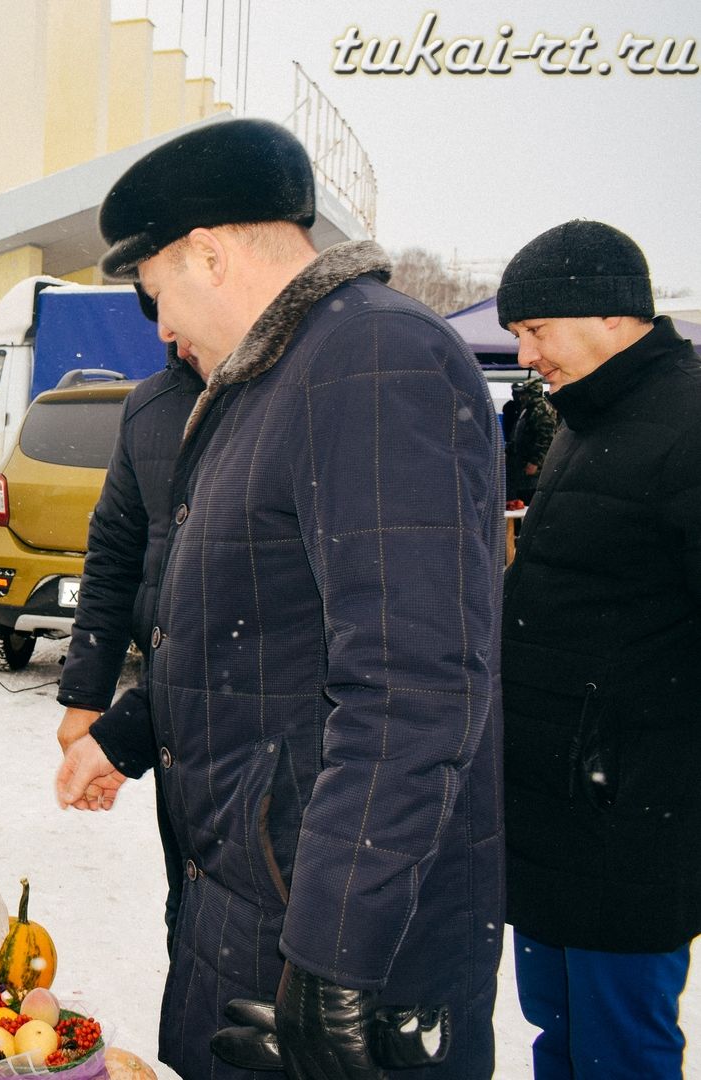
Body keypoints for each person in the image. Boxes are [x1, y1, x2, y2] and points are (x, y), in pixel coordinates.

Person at [56, 118, 504, 1079]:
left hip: (328, 938)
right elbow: (254, 631)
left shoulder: (376, 361)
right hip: (252, 899)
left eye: (153, 296)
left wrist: (333, 964)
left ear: (208, 255)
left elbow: (413, 684)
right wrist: (126, 734)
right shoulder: (274, 377)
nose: (161, 328)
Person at [497, 220, 701, 1080]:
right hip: (556, 812)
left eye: (535, 329)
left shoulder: (687, 425)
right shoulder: (588, 420)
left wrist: (633, 753)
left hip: (629, 820)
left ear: (611, 314)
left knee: (620, 1048)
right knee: (562, 1033)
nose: (526, 353)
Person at [55, 340, 202, 952]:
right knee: (192, 901)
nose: (169, 328)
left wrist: (124, 734)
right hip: (174, 710)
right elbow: (113, 555)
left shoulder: (278, 399)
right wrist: (86, 699)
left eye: (169, 298)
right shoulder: (152, 407)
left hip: (260, 735)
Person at [503, 370, 557, 507]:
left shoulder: (541, 409)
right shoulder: (528, 409)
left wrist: (535, 462)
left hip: (534, 470)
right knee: (521, 496)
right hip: (521, 465)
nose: (521, 396)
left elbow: (546, 438)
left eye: (524, 393)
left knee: (530, 499)